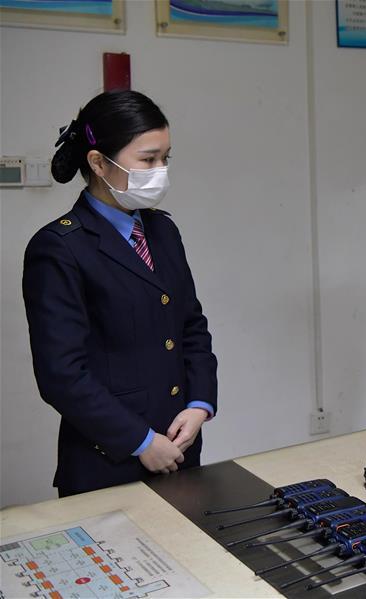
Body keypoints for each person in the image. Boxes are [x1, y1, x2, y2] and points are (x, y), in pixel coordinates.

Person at [23, 90, 218, 497]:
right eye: (148, 160)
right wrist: (142, 441)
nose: (160, 170)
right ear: (98, 163)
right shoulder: (59, 247)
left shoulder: (162, 231)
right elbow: (62, 375)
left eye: (166, 158)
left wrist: (200, 405)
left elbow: (191, 327)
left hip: (180, 450)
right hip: (108, 463)